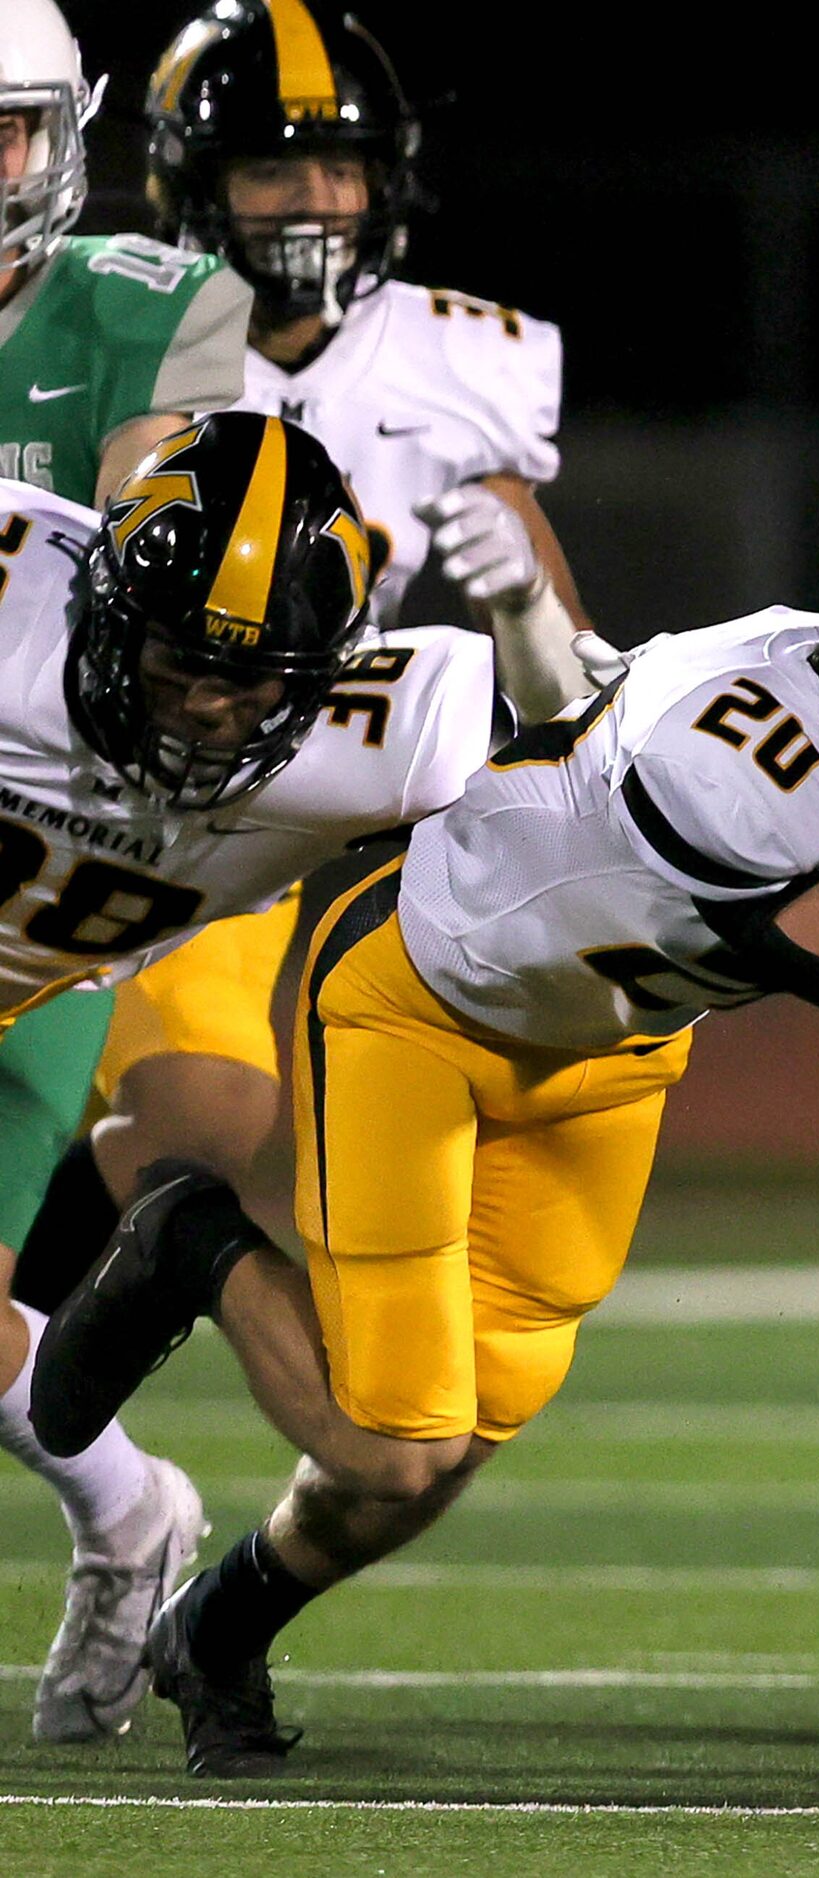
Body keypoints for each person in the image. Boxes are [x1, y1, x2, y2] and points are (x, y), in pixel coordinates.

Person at [29, 497, 819, 1779]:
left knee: (482, 1416)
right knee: (395, 1447)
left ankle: (215, 1635)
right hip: (423, 1006)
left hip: (611, 1053)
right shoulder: (729, 755)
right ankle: (190, 1233)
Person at [14, 0, 590, 1473]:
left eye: (338, 167)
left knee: (200, 1124)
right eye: (276, 168)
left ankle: (70, 1372)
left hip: (270, 789)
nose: (316, 200)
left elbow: (555, 687)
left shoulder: (458, 360)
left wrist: (537, 630)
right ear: (199, 180)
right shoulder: (120, 321)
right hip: (67, 749)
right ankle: (65, 1398)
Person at [0, 0, 253, 1745]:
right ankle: (127, 1503)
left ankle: (126, 1504)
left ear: (62, 135)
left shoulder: (152, 303)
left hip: (40, 853)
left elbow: (145, 572)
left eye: (3, 130)